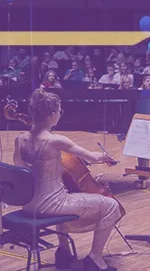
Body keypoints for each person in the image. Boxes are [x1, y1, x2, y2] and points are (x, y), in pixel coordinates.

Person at [13, 89, 122, 271]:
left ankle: (63, 251)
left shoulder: (20, 139)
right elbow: (92, 157)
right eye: (59, 111)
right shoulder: (55, 141)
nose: (59, 115)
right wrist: (105, 157)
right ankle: (95, 259)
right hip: (52, 205)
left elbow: (22, 170)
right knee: (111, 206)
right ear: (52, 114)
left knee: (62, 195)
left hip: (29, 205)